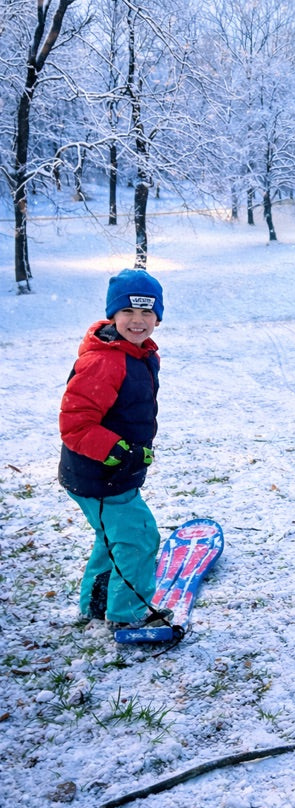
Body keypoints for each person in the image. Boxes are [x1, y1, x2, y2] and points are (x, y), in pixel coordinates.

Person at [59, 268, 171, 630]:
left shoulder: (135, 354)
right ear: (113, 314)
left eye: (147, 313)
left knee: (112, 538)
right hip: (103, 475)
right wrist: (120, 452)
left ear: (158, 316)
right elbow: (75, 425)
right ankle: (129, 616)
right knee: (139, 538)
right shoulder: (105, 361)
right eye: (128, 312)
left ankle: (97, 604)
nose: (138, 321)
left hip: (99, 473)